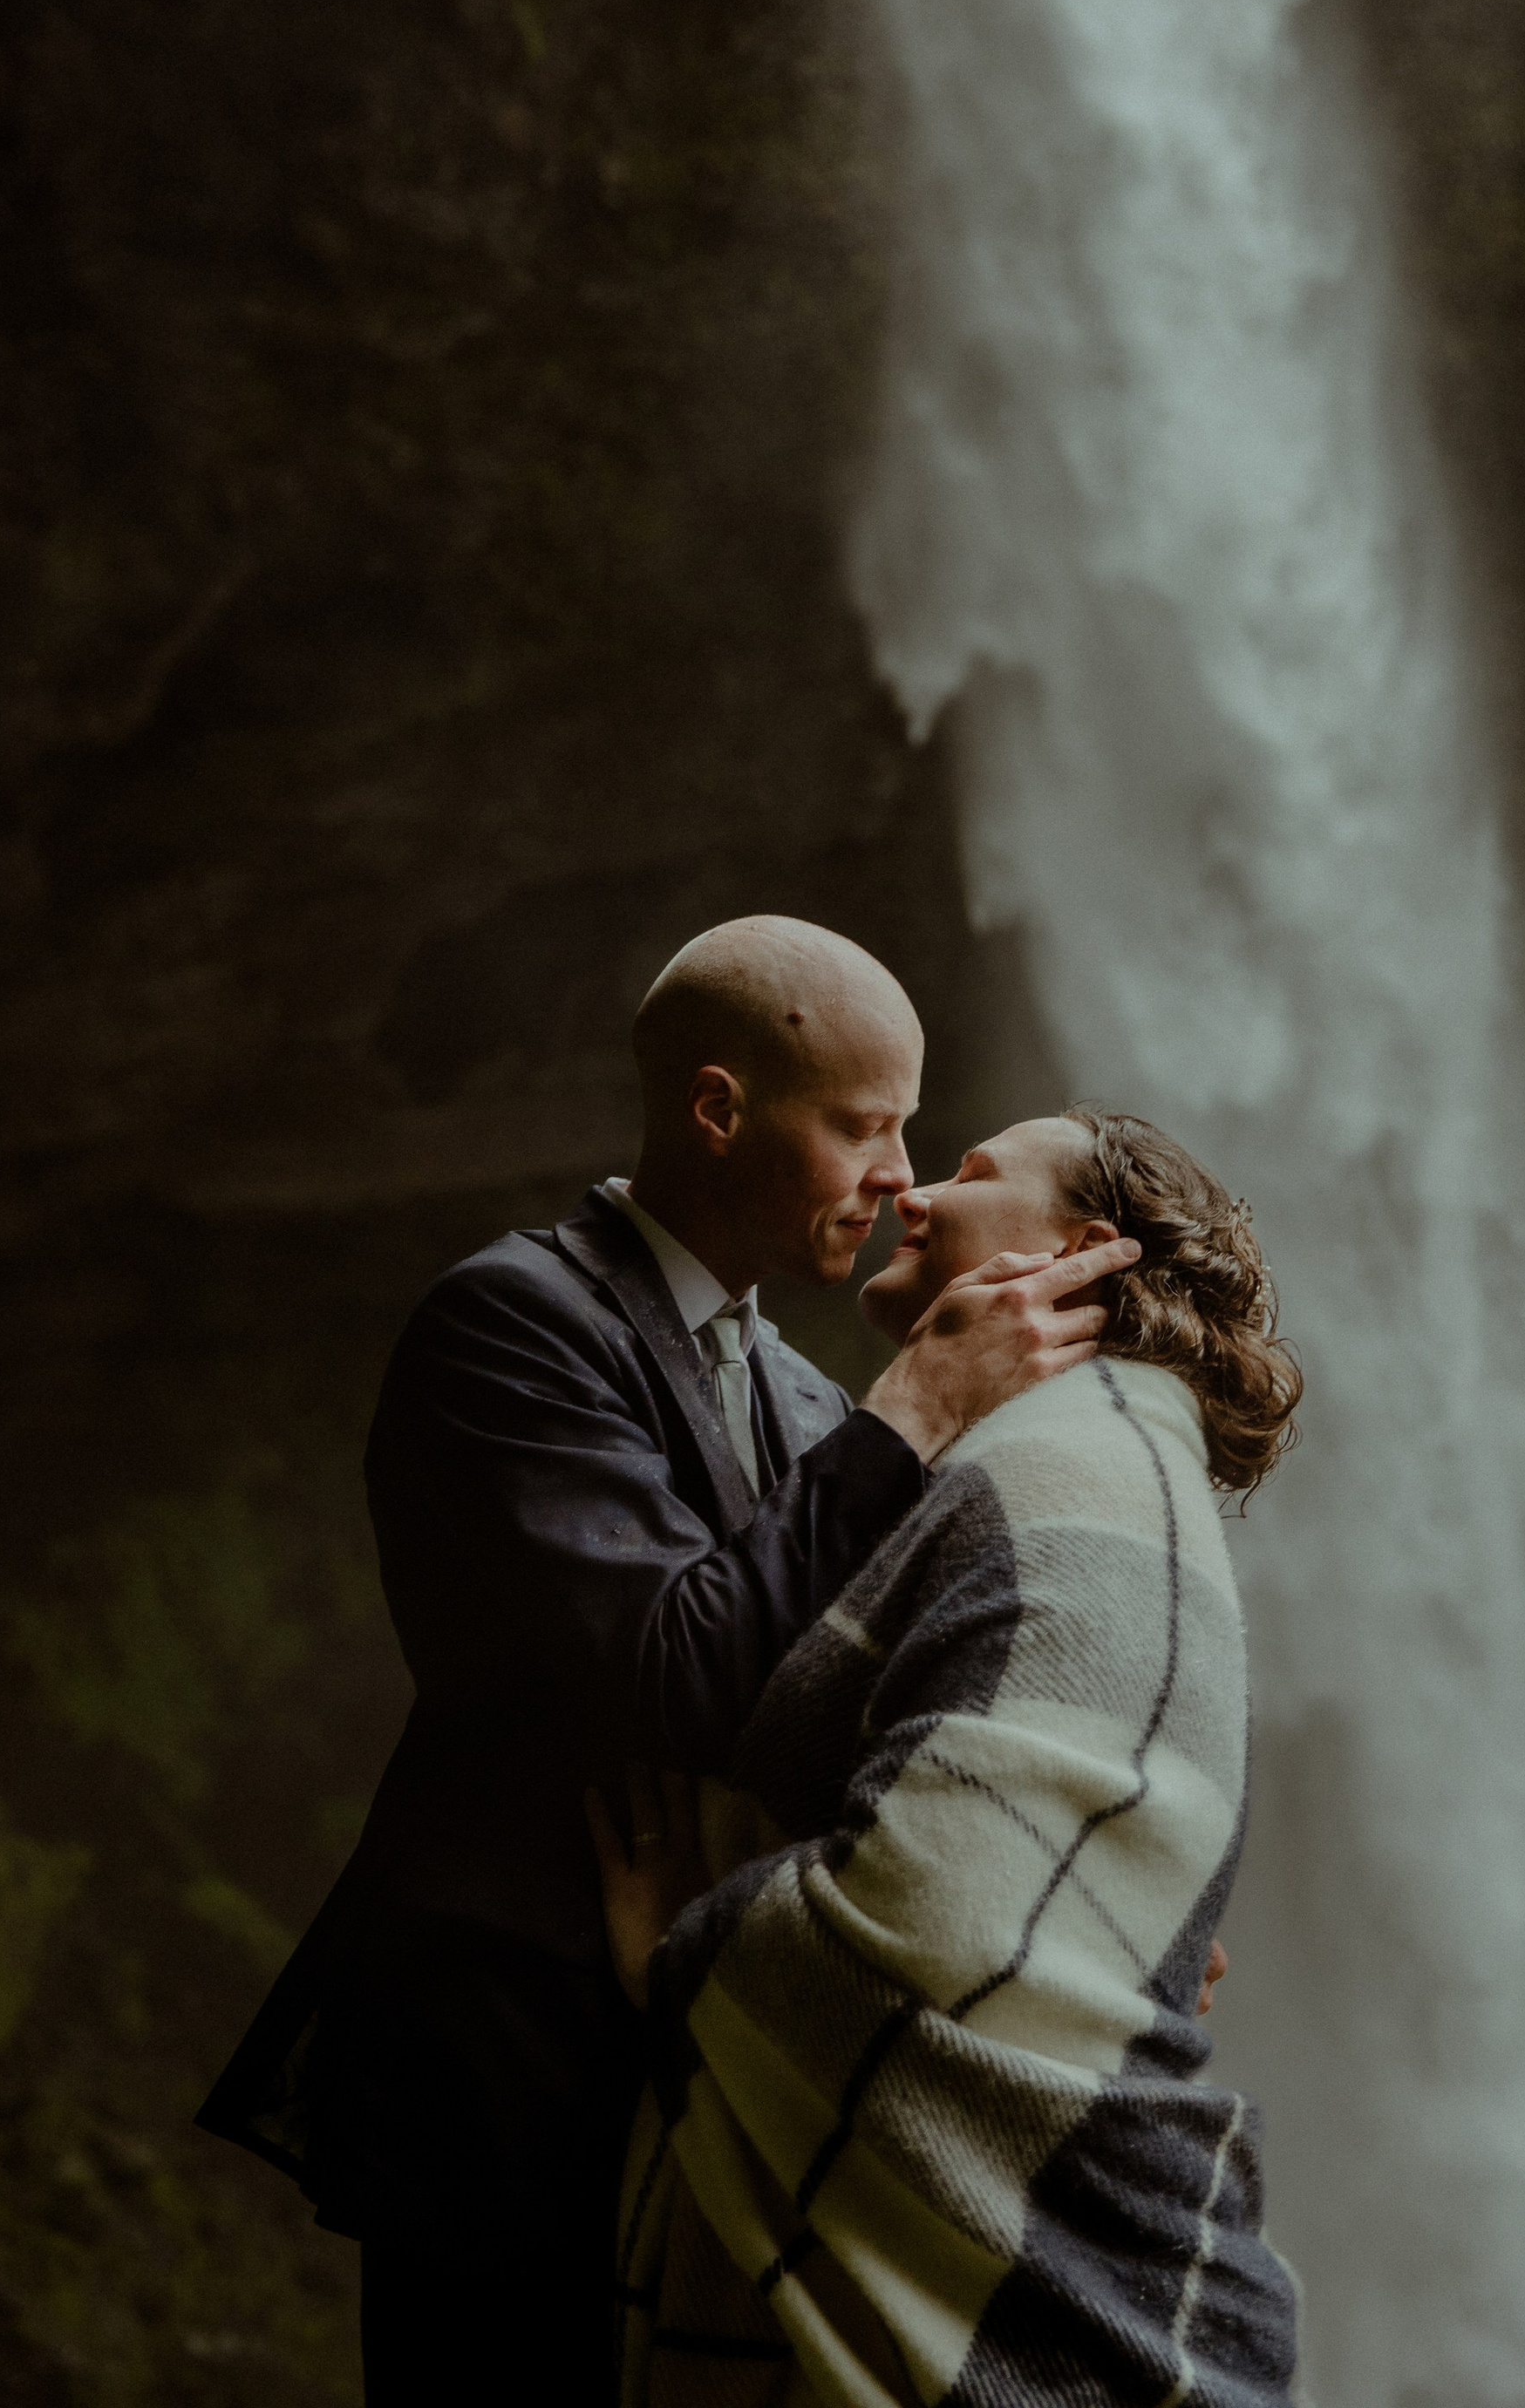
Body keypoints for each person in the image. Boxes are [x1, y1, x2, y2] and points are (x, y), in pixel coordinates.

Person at [196, 921, 1140, 2408]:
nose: (902, 1175)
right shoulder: (511, 1323)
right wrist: (915, 1412)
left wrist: (1106, 1898)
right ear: (718, 1109)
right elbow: (673, 1670)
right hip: (507, 2089)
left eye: (910, 1128)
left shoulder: (796, 1386)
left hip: (702, 2070)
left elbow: (875, 1710)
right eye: (864, 1126)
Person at [592, 1106, 1305, 2408]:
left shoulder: (1079, 1463)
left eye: (972, 1174)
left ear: (1080, 1253)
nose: (912, 1192)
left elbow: (958, 1916)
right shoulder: (1069, 1462)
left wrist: (690, 1956)